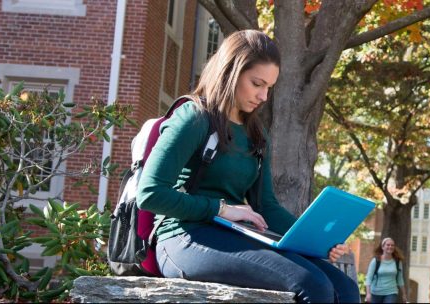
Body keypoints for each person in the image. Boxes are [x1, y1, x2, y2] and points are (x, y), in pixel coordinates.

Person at [136, 30, 359, 303]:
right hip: (182, 237)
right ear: (231, 71)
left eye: (269, 87)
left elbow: (266, 207)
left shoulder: (256, 134)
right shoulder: (193, 118)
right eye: (257, 83)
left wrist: (315, 241)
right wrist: (221, 208)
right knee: (310, 284)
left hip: (233, 235)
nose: (264, 96)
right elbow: (149, 193)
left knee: (345, 288)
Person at [365, 238, 407, 303]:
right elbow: (369, 278)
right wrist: (368, 293)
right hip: (376, 292)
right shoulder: (376, 261)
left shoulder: (397, 262)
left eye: (392, 245)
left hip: (391, 292)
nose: (390, 246)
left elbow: (400, 278)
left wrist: (404, 294)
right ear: (383, 247)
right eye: (388, 245)